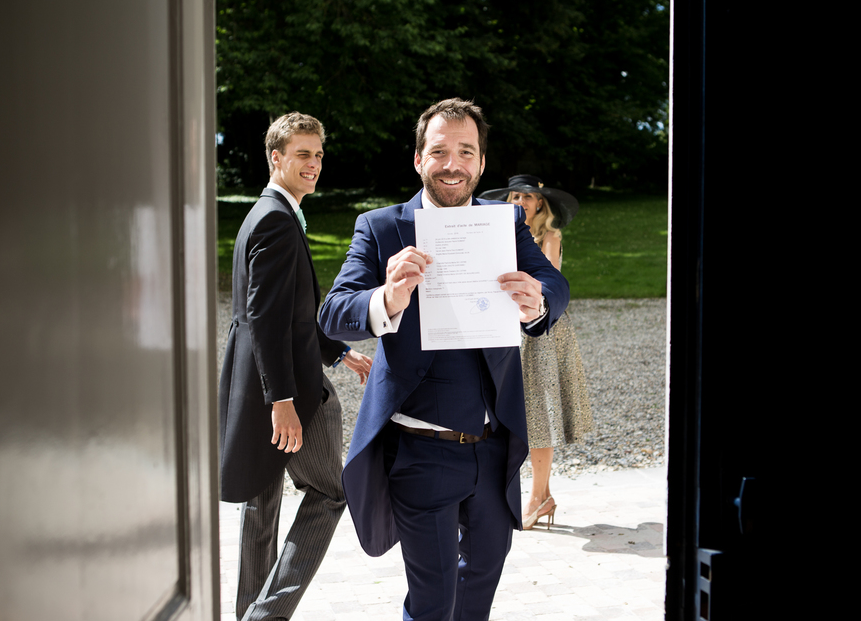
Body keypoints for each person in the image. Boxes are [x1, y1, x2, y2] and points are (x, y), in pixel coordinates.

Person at [318, 98, 570, 621]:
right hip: (420, 453)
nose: (452, 163)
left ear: (480, 163)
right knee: (433, 603)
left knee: (479, 589)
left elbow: (554, 283)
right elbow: (333, 313)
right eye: (439, 151)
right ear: (418, 160)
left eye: (465, 151)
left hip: (492, 449)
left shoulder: (505, 224)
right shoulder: (382, 227)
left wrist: (538, 300)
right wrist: (386, 297)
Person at [218, 112, 372, 621]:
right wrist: (281, 401)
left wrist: (339, 351)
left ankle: (249, 613)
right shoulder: (278, 222)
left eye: (318, 155)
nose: (314, 164)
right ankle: (267, 614)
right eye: (302, 154)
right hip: (290, 395)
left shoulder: (266, 215)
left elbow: (291, 313)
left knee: (260, 508)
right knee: (330, 494)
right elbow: (263, 318)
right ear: (275, 157)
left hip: (258, 388)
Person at [480, 175, 593, 530]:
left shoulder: (549, 237)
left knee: (541, 414)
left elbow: (550, 283)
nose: (520, 202)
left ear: (540, 203)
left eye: (527, 197)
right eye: (515, 196)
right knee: (512, 413)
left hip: (542, 330)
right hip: (505, 327)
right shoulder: (501, 235)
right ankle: (536, 496)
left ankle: (538, 496)